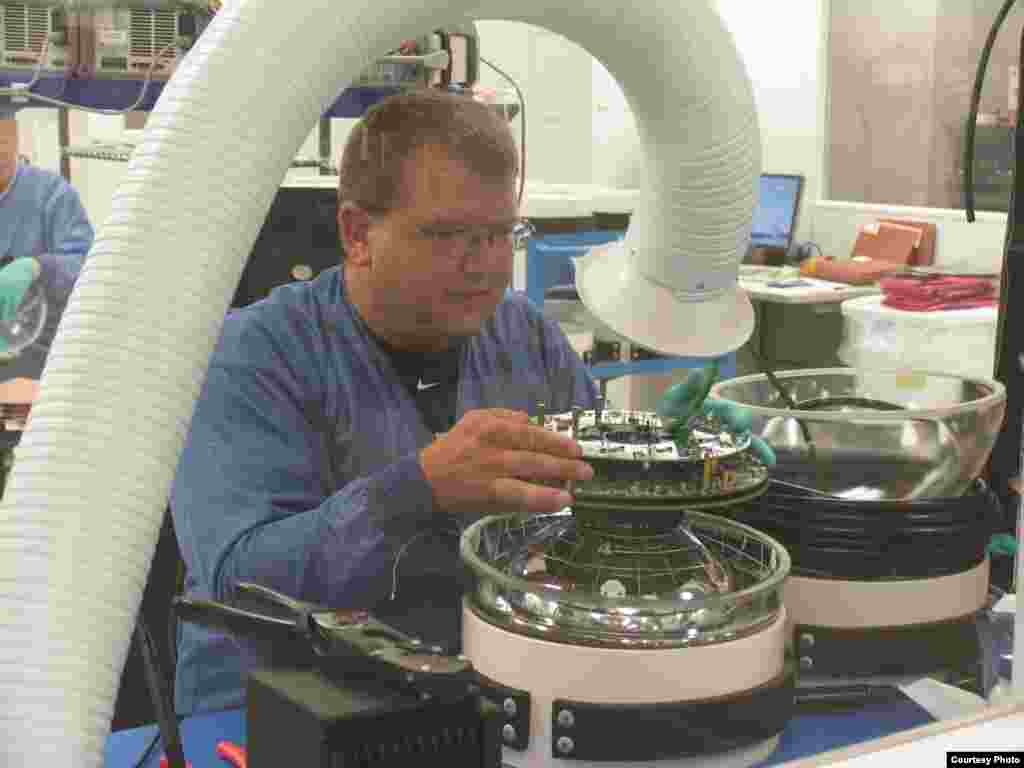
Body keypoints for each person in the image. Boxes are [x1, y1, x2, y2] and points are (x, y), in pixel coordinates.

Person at [170, 88, 600, 715]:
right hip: (272, 707)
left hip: (467, 688)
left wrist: (685, 466)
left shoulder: (526, 339)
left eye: (500, 234)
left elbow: (588, 497)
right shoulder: (252, 356)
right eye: (448, 235)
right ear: (357, 232)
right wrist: (415, 490)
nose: (483, 266)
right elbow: (237, 584)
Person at [0, 105, 94, 380]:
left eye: (5, 141)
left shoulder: (50, 195)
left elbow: (87, 267)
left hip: (37, 359)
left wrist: (36, 266)